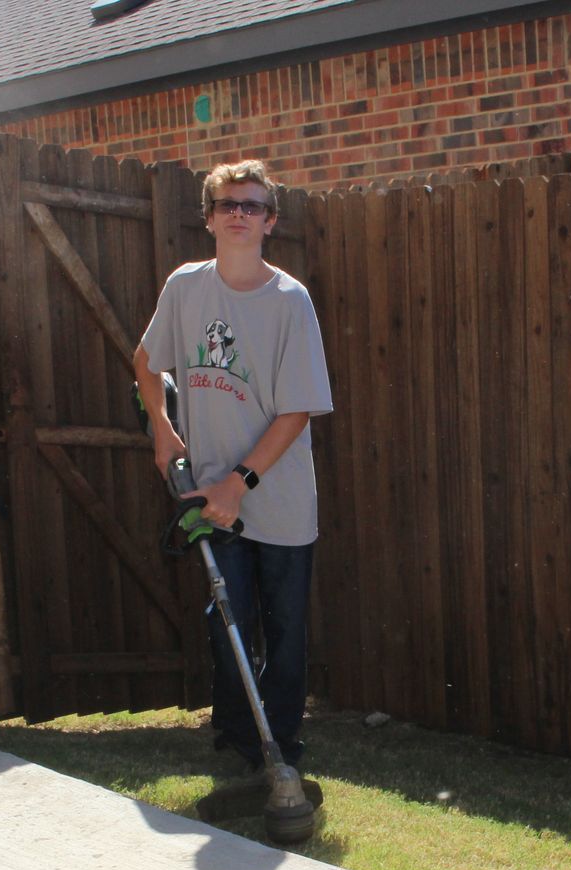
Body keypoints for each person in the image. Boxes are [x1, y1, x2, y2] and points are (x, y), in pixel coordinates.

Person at [133, 160, 334, 772]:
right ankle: (238, 745)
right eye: (228, 205)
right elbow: (147, 362)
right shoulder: (186, 288)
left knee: (284, 634)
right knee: (226, 622)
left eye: (252, 206)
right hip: (211, 498)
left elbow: (297, 412)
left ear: (270, 220)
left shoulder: (288, 301)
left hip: (276, 501)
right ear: (209, 218)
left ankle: (282, 754)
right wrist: (163, 430)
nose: (239, 214)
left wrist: (237, 483)